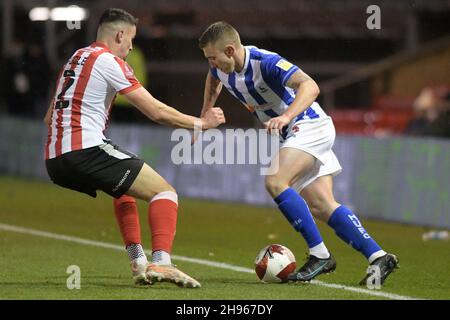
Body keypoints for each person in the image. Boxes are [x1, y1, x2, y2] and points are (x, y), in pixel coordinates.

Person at [197, 21, 398, 286]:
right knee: (322, 205)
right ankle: (378, 257)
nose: (211, 63)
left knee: (275, 180)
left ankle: (320, 254)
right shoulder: (220, 68)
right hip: (294, 133)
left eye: (214, 57)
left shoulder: (265, 62)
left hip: (309, 124)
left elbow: (310, 86)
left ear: (231, 50)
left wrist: (286, 116)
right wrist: (205, 113)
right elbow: (214, 79)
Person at [43, 8, 225, 288]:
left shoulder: (75, 58)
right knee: (164, 192)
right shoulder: (108, 61)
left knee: (124, 190)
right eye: (131, 38)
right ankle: (162, 262)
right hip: (85, 149)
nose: (131, 46)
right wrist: (200, 123)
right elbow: (155, 111)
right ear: (119, 34)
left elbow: (48, 117)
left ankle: (139, 261)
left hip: (55, 160)